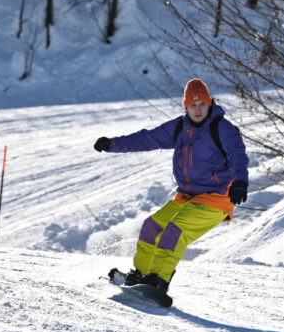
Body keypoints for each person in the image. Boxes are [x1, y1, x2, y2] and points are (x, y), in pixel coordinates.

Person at [94, 78, 249, 296]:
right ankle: (141, 274)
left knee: (175, 231)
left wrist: (240, 180)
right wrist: (113, 144)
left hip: (216, 198)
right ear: (186, 106)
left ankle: (159, 280)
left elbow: (237, 154)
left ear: (210, 104)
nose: (197, 109)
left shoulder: (221, 127)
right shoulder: (180, 126)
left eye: (202, 104)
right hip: (187, 197)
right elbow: (147, 139)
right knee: (151, 226)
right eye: (192, 105)